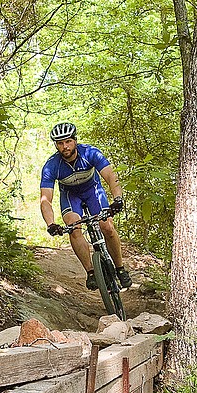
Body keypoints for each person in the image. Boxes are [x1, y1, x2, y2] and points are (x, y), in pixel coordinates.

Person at [39, 122, 132, 291]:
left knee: (107, 226)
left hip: (92, 190)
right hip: (70, 196)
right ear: (56, 145)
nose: (65, 146)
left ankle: (120, 268)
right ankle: (90, 271)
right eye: (60, 143)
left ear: (75, 140)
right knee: (73, 228)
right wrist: (50, 223)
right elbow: (45, 199)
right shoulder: (51, 165)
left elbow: (111, 176)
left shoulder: (90, 153)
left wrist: (117, 199)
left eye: (68, 141)